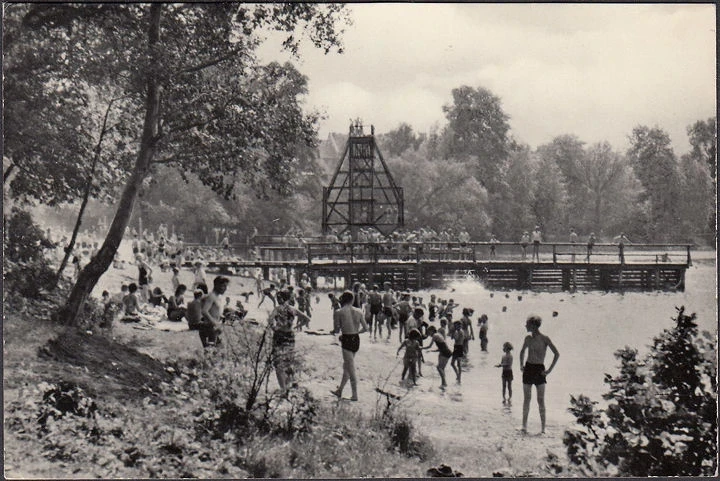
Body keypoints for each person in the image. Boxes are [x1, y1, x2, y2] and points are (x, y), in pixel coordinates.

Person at [519, 315, 560, 434]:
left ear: (533, 325)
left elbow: (557, 354)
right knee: (527, 399)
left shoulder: (545, 338)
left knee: (540, 400)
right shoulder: (527, 338)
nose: (526, 326)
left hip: (539, 369)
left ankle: (543, 428)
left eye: (527, 324)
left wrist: (549, 371)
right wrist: (521, 365)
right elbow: (522, 352)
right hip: (528, 368)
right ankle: (524, 426)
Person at [268, 290, 311, 392]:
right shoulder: (293, 309)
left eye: (279, 298)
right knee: (288, 361)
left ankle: (283, 388)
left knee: (278, 362)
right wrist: (297, 326)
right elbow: (307, 319)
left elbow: (270, 320)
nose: (278, 299)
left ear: (282, 298)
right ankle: (288, 385)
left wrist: (274, 328)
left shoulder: (277, 309)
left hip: (279, 335)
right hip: (290, 335)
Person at [331, 291, 368, 401]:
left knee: (350, 368)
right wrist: (356, 332)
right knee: (347, 366)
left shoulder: (339, 312)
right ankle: (340, 390)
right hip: (356, 339)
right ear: (352, 300)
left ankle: (355, 395)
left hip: (346, 339)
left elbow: (337, 329)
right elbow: (366, 328)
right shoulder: (359, 311)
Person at [199, 276, 229, 347]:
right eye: (223, 286)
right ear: (217, 285)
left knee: (219, 349)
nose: (225, 288)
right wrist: (214, 323)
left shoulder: (218, 297)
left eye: (226, 286)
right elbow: (204, 311)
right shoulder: (211, 296)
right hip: (209, 327)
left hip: (213, 328)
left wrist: (221, 316)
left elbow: (214, 310)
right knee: (211, 351)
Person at [423, 325, 452, 389]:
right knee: (442, 368)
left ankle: (444, 383)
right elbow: (442, 347)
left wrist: (421, 348)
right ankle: (443, 383)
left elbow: (429, 346)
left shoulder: (435, 335)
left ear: (432, 330)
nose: (428, 334)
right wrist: (432, 351)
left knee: (439, 368)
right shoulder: (438, 334)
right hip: (447, 352)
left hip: (445, 353)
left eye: (428, 332)